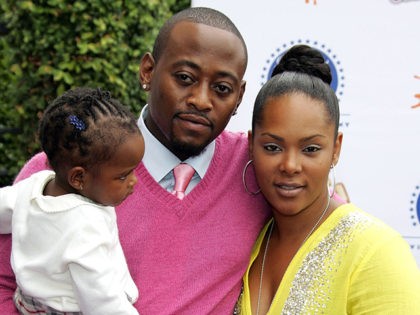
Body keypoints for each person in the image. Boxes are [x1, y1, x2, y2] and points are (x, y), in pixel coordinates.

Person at [0, 7, 270, 315]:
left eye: (222, 88)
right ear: (147, 71)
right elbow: (3, 283)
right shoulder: (64, 171)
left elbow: (324, 218)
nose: (201, 100)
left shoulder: (257, 168)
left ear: (239, 96)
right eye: (184, 78)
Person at [235, 44, 420, 314]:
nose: (290, 165)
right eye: (273, 147)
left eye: (310, 149)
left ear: (335, 149)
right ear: (251, 144)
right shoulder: (249, 244)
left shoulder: (375, 252)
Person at [0, 87, 144, 314]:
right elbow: (101, 301)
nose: (134, 181)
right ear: (79, 178)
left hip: (27, 303)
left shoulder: (33, 186)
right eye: (123, 175)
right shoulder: (85, 227)